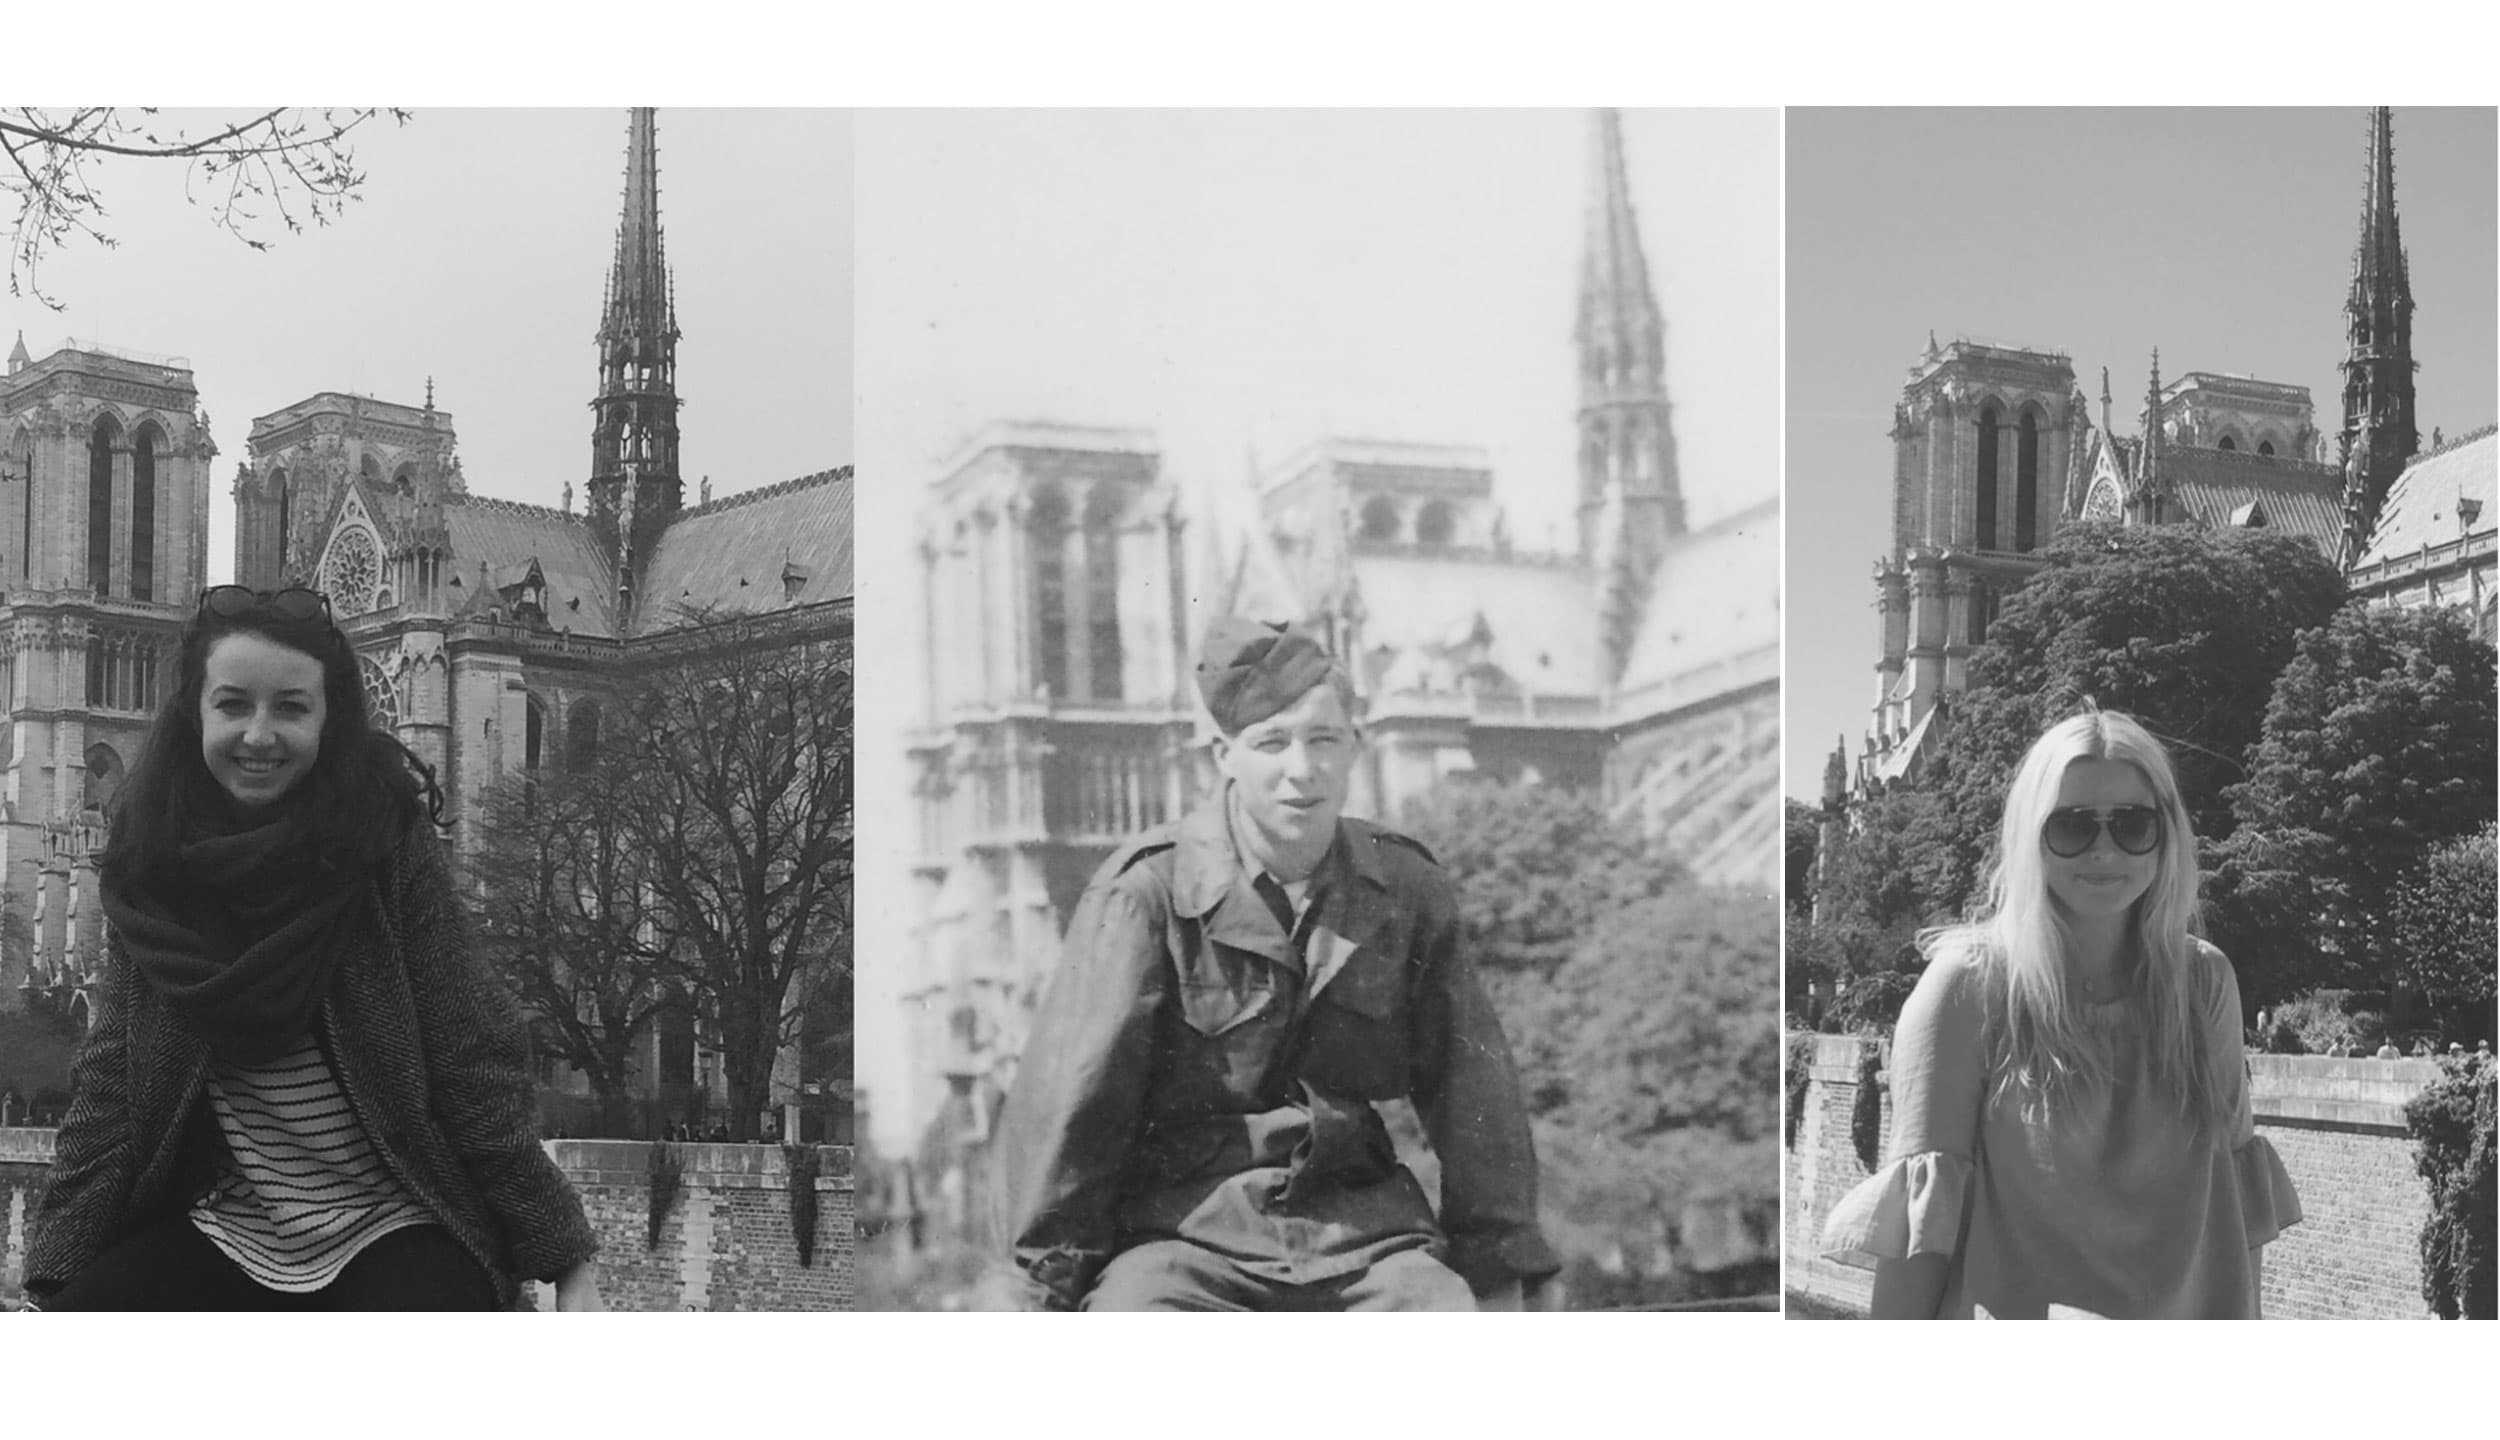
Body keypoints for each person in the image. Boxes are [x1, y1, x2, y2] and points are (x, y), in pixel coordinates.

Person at [22, 585, 604, 1311]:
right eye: (233, 704)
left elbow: (470, 1055)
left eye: (291, 708)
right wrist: (54, 1278)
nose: (260, 735)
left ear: (331, 722)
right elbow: (113, 1085)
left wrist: (565, 1258)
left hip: (394, 1217)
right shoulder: (154, 868)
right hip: (228, 1222)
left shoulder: (384, 845)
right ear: (193, 716)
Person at [995, 619, 1559, 1311]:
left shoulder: (1406, 887)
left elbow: (1473, 1089)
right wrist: (1038, 1293)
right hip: (1182, 1242)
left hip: (1366, 1237)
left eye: (1324, 739)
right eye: (1272, 742)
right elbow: (1074, 1109)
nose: (1303, 769)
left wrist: (1500, 1265)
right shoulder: (1147, 894)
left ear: (1357, 747)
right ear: (1222, 755)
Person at [1821, 709, 2300, 1319]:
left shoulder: (2204, 983)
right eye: (2072, 828)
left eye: (2132, 825)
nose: (2104, 850)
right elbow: (1921, 1240)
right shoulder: (1968, 989)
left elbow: (2237, 1213)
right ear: (2029, 835)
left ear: (2168, 834)